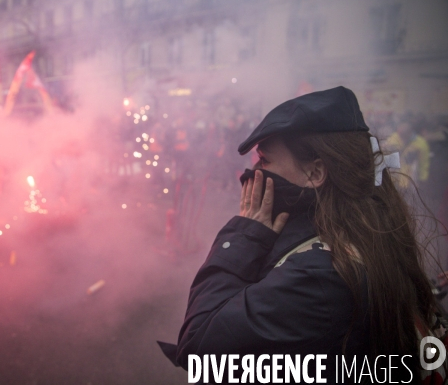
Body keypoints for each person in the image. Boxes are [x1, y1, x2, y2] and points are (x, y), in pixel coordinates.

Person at [159, 87, 445, 384]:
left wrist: (245, 235)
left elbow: (199, 345)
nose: (253, 171)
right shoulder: (367, 227)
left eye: (265, 161)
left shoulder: (320, 276)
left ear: (315, 173)